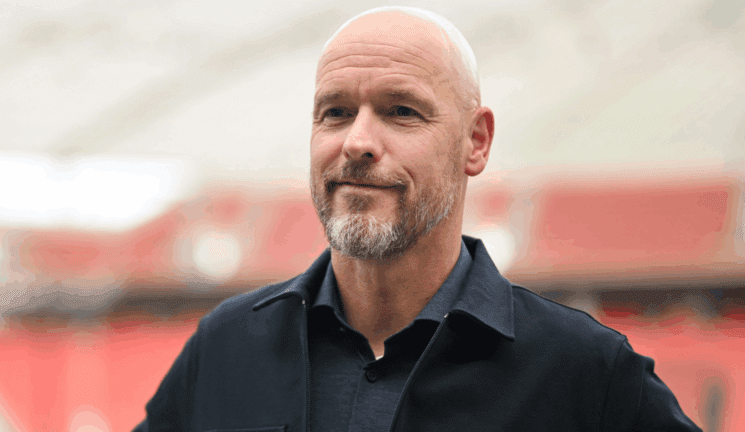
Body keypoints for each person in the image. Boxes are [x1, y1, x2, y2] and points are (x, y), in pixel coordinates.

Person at [134, 6, 702, 432]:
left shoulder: (585, 371)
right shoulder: (226, 347)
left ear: (475, 142)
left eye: (401, 111)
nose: (357, 141)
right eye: (335, 112)